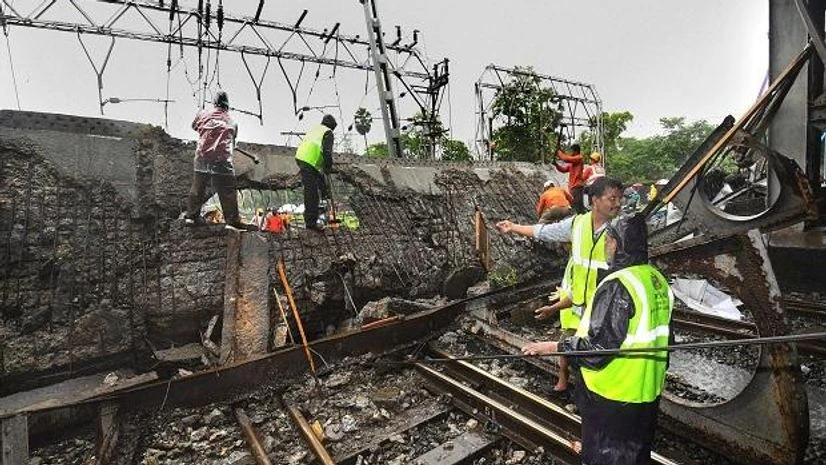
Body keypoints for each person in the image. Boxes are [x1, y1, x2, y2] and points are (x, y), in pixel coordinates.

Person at [522, 214, 673, 465]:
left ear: (617, 243)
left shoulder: (619, 284)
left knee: (606, 456)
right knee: (634, 453)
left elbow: (598, 348)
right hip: (647, 389)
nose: (605, 246)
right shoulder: (655, 279)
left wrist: (552, 347)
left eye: (608, 240)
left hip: (613, 392)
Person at [497, 177, 624, 392]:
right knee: (569, 346)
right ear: (594, 200)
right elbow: (544, 232)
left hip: (605, 310)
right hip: (578, 304)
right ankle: (565, 383)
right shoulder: (578, 224)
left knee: (598, 356)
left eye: (620, 199)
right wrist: (514, 227)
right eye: (612, 198)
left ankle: (590, 392)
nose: (618, 204)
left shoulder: (622, 230)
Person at [184, 91, 257, 231]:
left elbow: (194, 126)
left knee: (198, 187)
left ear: (214, 103)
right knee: (227, 190)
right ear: (227, 105)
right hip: (221, 159)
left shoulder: (203, 115)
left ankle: (191, 217)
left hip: (202, 156)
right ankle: (232, 221)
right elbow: (233, 138)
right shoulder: (231, 121)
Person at [295, 115, 336, 231]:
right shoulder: (328, 133)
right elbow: (327, 152)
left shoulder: (315, 129)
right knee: (311, 192)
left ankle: (324, 198)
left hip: (302, 158)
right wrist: (328, 167)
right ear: (332, 126)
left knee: (320, 180)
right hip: (309, 161)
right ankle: (311, 222)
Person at [554, 143, 587, 213]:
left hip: (577, 186)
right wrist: (556, 165)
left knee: (578, 208)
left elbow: (565, 158)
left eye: (571, 151)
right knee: (574, 207)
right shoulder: (573, 163)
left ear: (576, 151)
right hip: (573, 187)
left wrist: (558, 152)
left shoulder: (579, 158)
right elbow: (563, 170)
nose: (570, 153)